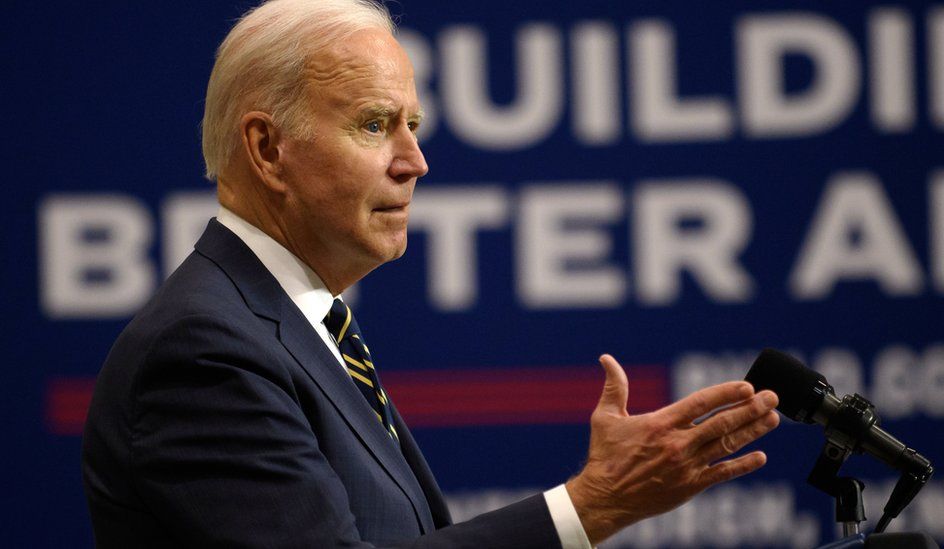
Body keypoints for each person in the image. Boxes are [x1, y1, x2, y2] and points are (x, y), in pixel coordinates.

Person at [82, 0, 781, 547]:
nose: (414, 162)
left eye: (413, 125)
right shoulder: (205, 348)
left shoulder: (299, 325)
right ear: (268, 149)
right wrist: (590, 506)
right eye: (374, 125)